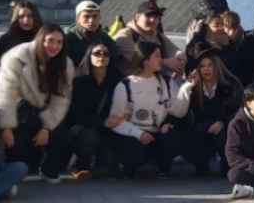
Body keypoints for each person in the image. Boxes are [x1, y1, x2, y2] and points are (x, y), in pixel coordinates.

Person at [0, 24, 73, 183]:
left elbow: (61, 101)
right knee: (13, 140)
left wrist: (46, 126)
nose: (55, 46)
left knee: (60, 133)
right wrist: (6, 126)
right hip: (18, 110)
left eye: (59, 42)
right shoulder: (17, 57)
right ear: (40, 40)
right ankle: (9, 174)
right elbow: (5, 93)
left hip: (44, 111)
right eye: (50, 40)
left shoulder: (65, 64)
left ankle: (48, 168)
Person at [108, 41, 191, 179]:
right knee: (132, 152)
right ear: (145, 60)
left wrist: (187, 88)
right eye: (157, 56)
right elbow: (116, 120)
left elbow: (178, 112)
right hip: (134, 135)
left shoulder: (166, 82)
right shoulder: (125, 85)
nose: (161, 60)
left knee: (173, 138)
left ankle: (163, 167)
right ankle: (131, 169)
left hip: (158, 133)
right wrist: (138, 133)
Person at [65, 40, 122, 179]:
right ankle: (79, 166)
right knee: (90, 135)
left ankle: (104, 166)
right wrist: (102, 121)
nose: (101, 57)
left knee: (110, 163)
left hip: (109, 126)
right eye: (96, 53)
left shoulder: (117, 80)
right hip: (81, 127)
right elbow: (72, 114)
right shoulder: (78, 81)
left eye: (106, 54)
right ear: (89, 56)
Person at [186, 50, 241, 177]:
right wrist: (187, 87)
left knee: (224, 135)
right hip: (201, 128)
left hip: (225, 126)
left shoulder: (231, 84)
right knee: (194, 139)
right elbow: (185, 113)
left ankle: (226, 164)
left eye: (210, 65)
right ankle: (201, 165)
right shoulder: (194, 86)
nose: (206, 69)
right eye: (202, 66)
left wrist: (224, 121)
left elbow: (239, 110)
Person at [113, 0, 184, 79]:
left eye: (155, 17)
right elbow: (139, 59)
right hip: (133, 84)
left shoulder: (159, 36)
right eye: (148, 16)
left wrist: (179, 60)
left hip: (154, 83)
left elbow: (175, 51)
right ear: (138, 17)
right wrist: (167, 62)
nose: (152, 20)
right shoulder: (126, 35)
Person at [185, 10, 241, 78]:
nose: (221, 28)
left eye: (222, 24)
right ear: (207, 29)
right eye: (217, 25)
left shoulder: (229, 45)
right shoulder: (199, 47)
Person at [64, 0, 118, 68]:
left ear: (100, 18)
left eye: (95, 16)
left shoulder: (107, 40)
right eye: (86, 16)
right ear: (77, 18)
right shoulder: (67, 39)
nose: (91, 20)